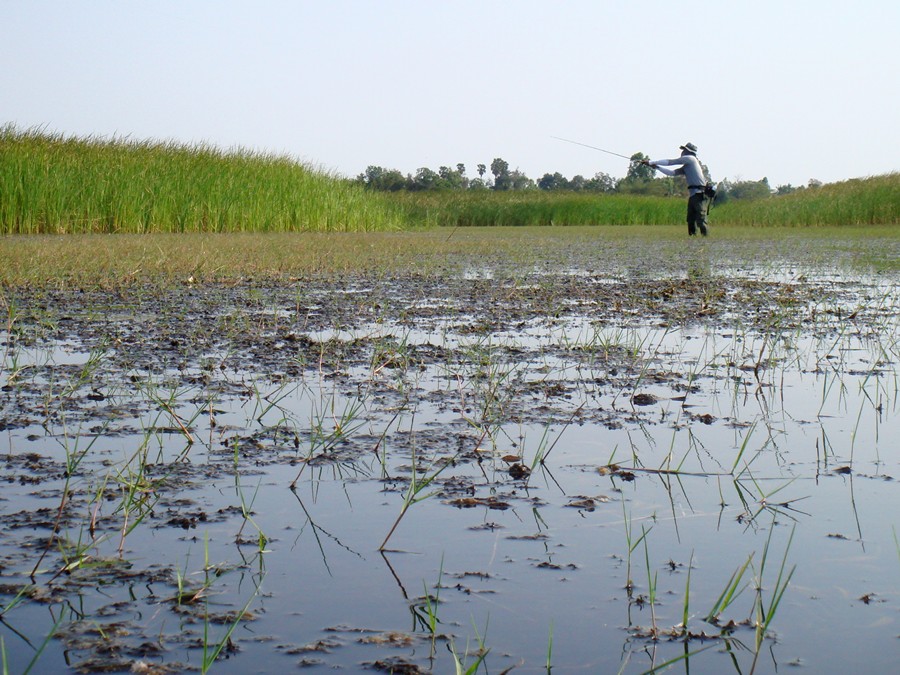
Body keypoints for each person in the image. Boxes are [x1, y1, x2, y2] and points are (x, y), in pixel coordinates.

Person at [643, 143, 712, 236]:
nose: (682, 152)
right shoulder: (687, 165)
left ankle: (706, 239)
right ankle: (693, 239)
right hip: (693, 195)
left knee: (701, 219)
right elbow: (672, 173)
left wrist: (651, 162)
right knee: (691, 220)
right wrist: (657, 167)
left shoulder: (690, 159)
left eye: (684, 150)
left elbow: (671, 162)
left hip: (700, 194)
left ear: (689, 151)